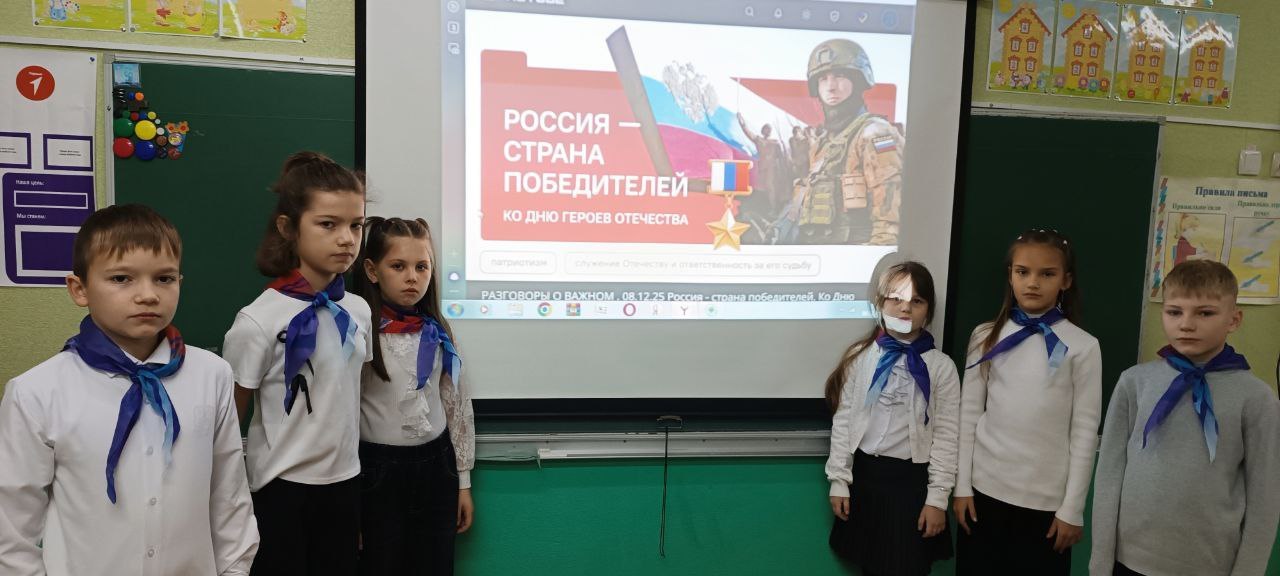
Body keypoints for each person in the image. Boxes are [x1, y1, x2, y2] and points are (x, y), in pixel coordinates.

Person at [0, 204, 258, 575]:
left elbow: (228, 496)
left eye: (164, 278)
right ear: (79, 289)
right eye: (122, 278)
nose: (148, 295)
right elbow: (13, 527)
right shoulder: (36, 392)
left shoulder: (212, 375)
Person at [222, 152, 372, 575]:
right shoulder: (258, 320)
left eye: (356, 225)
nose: (347, 239)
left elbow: (351, 398)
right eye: (328, 224)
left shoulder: (358, 311)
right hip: (280, 489)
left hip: (344, 483)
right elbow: (229, 419)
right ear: (288, 228)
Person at [1090, 260, 1280, 576]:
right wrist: (1100, 561)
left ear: (1234, 319)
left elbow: (1265, 498)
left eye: (1205, 313)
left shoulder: (1257, 399)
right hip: (1129, 560)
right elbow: (1110, 474)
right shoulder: (1134, 382)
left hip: (1208, 564)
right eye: (1174, 312)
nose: (1186, 324)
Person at [953, 229, 1101, 575]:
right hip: (983, 494)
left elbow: (1084, 431)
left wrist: (1072, 509)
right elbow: (969, 414)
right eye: (1023, 272)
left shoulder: (1083, 346)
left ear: (1066, 281)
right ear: (1010, 275)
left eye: (1047, 274)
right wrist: (962, 487)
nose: (1033, 283)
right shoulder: (985, 336)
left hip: (1046, 506)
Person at [352, 217, 477, 575]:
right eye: (398, 266)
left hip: (437, 469)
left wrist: (463, 482)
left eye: (422, 267)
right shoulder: (359, 333)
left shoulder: (437, 332)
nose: (412, 277)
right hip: (376, 472)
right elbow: (342, 415)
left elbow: (457, 406)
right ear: (372, 271)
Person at [825, 261, 959, 576]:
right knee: (871, 566)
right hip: (866, 480)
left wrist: (937, 499)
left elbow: (947, 436)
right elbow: (844, 422)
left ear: (929, 310)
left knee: (908, 565)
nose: (905, 308)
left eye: (917, 301)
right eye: (895, 298)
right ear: (880, 303)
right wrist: (839, 481)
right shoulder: (860, 358)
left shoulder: (941, 368)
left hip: (911, 486)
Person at [792, 39, 904, 245]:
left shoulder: (876, 133)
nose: (831, 87)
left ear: (858, 80)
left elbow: (890, 212)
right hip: (822, 251)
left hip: (857, 252)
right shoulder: (822, 143)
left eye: (840, 76)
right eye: (823, 79)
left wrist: (878, 255)